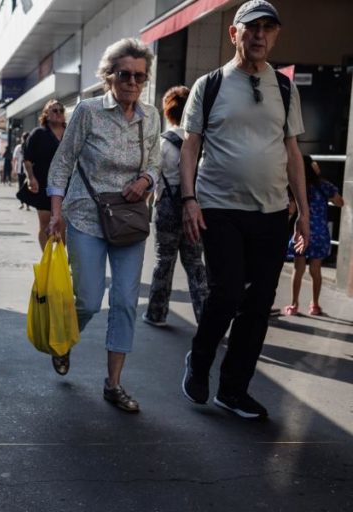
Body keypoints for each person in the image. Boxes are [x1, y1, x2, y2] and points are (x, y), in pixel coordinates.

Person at [180, 0, 309, 420]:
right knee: (228, 291)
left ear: (274, 36)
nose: (259, 35)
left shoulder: (286, 88)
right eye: (251, 28)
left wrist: (304, 210)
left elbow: (292, 151)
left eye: (268, 28)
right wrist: (188, 199)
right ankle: (199, 362)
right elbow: (191, 144)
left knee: (259, 305)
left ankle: (233, 389)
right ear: (233, 34)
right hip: (218, 206)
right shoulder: (210, 84)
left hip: (271, 212)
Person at [47, 37, 160, 413]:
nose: (132, 82)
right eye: (125, 74)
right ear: (110, 75)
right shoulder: (88, 112)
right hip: (85, 216)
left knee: (126, 302)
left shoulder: (151, 116)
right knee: (90, 299)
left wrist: (145, 181)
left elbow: (156, 163)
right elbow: (63, 162)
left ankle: (114, 384)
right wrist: (56, 213)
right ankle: (63, 341)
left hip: (128, 220)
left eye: (139, 77)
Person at [144, 86, 208, 327]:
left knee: (164, 261)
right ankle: (205, 318)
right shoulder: (201, 143)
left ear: (168, 111)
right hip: (196, 207)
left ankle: (156, 313)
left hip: (167, 209)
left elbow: (153, 180)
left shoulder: (162, 143)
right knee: (195, 263)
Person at [283, 155, 344, 316]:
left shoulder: (296, 185)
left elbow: (291, 209)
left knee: (298, 269)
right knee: (315, 270)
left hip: (301, 232)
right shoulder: (323, 185)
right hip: (319, 234)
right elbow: (340, 202)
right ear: (313, 167)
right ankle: (315, 305)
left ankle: (293, 305)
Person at [21, 99, 66, 250]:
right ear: (46, 114)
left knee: (64, 224)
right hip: (43, 183)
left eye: (61, 110)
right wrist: (30, 178)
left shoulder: (70, 133)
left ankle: (62, 263)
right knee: (45, 223)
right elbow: (27, 159)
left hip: (67, 184)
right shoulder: (38, 134)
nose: (59, 113)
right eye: (54, 110)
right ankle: (47, 260)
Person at [13, 132, 30, 210]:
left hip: (29, 170)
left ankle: (26, 204)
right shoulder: (18, 147)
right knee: (21, 187)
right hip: (21, 169)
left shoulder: (30, 146)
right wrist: (14, 169)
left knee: (26, 187)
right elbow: (15, 159)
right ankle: (23, 203)